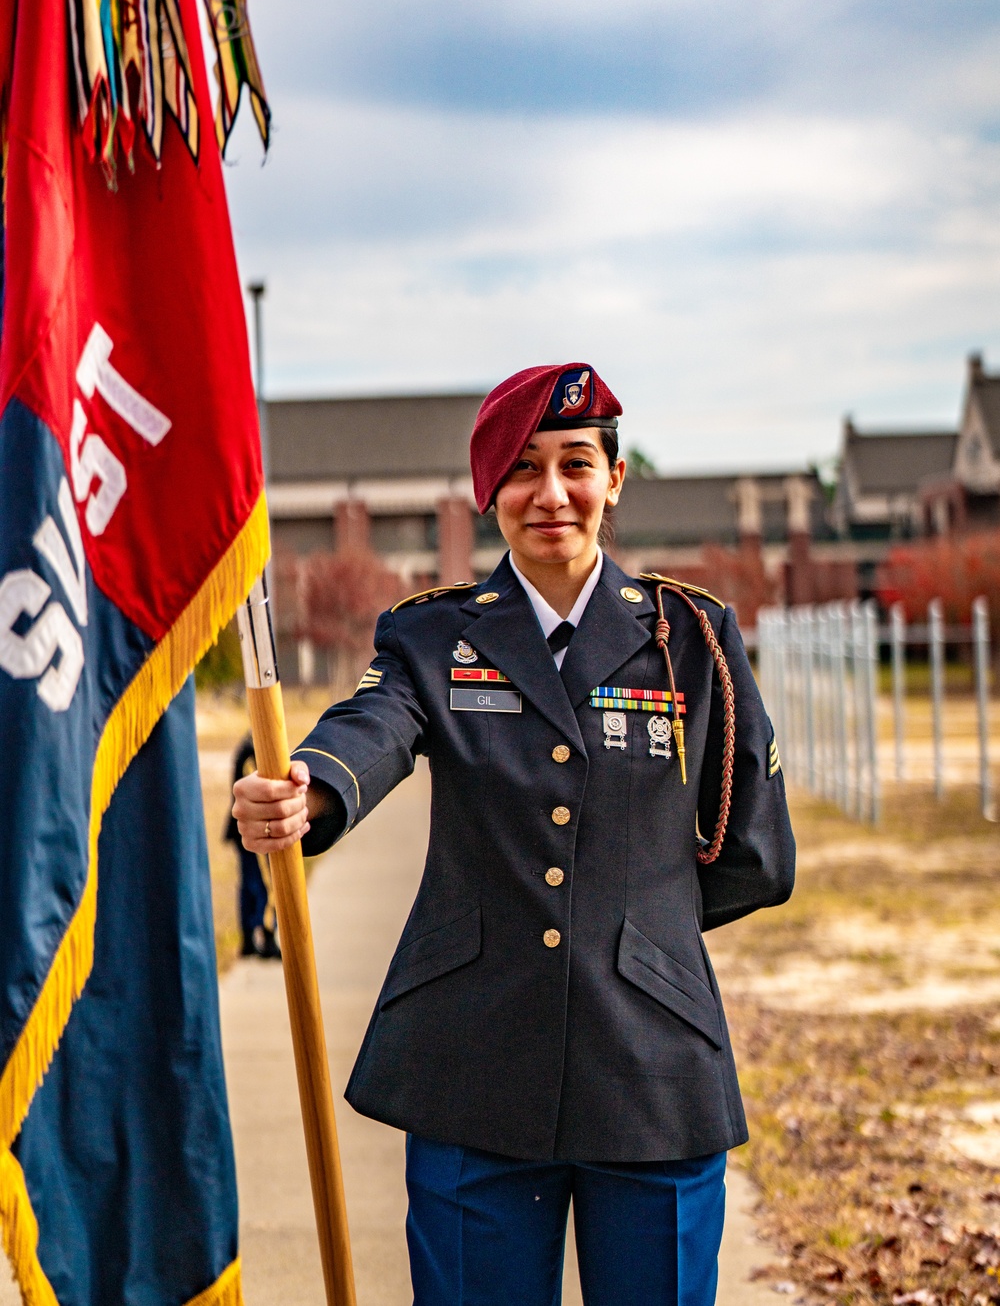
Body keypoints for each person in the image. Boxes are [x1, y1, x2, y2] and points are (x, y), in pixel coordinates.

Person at [233, 362, 795, 1306]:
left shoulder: (691, 638)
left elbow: (754, 852)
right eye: (524, 469)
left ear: (615, 479)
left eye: (577, 463)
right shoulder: (432, 637)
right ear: (488, 491)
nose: (553, 493)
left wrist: (637, 931)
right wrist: (312, 789)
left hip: (652, 1065)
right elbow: (372, 727)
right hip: (471, 1064)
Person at [225, 734, 281, 959]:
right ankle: (265, 937)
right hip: (254, 828)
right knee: (265, 886)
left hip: (244, 829)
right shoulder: (253, 750)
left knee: (250, 885)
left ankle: (248, 939)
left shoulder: (248, 746)